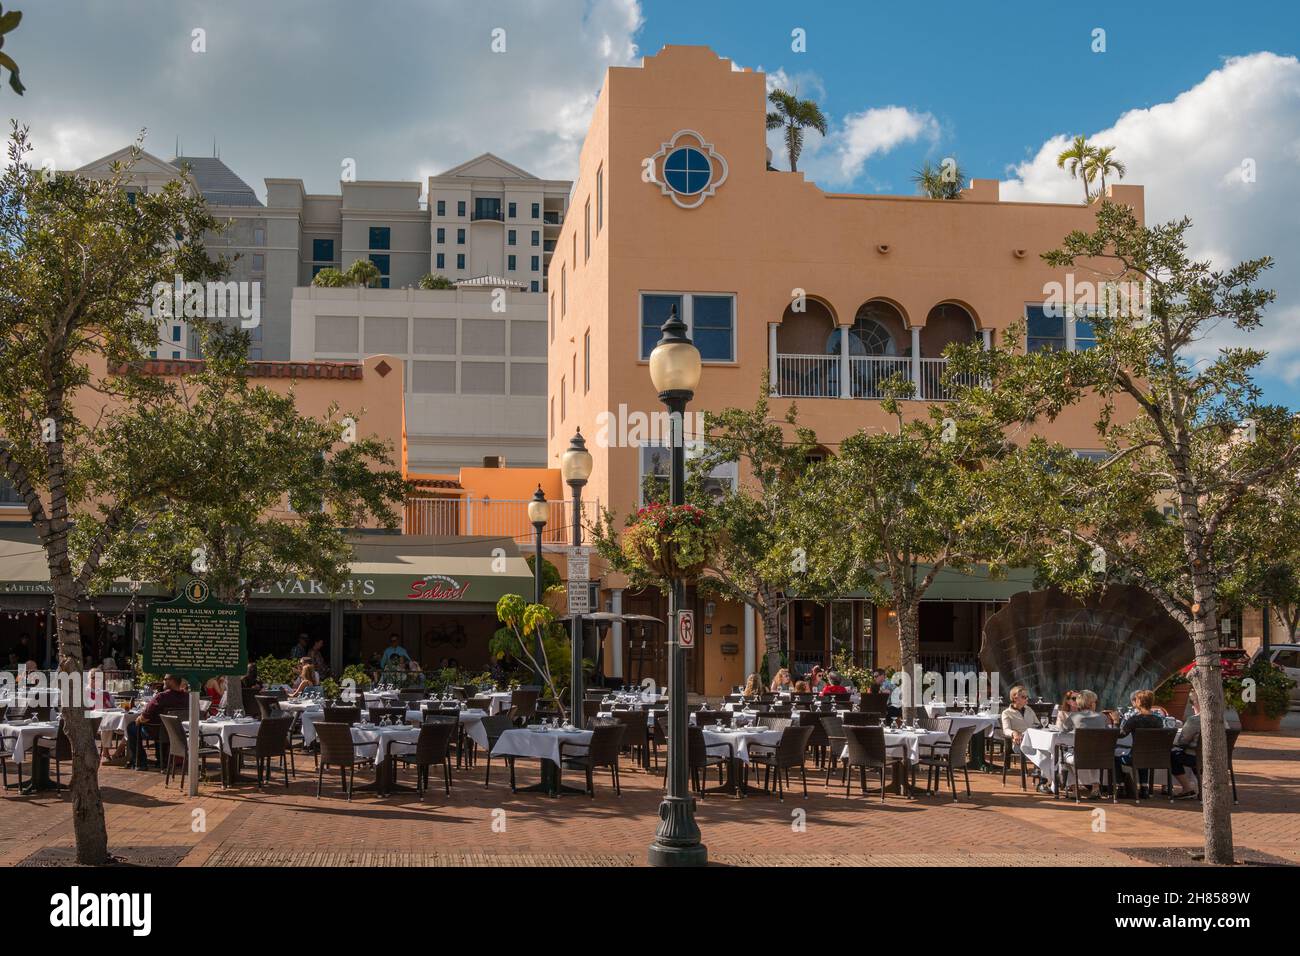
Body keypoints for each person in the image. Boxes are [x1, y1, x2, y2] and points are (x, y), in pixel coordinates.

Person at [126, 674, 188, 770]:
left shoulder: (161, 697)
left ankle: (140, 762)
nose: (163, 681)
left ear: (171, 681)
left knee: (131, 727)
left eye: (165, 679)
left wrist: (138, 719)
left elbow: (145, 717)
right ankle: (161, 761)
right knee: (160, 727)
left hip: (156, 731)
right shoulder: (186, 697)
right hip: (178, 732)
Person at [1116, 688, 1167, 796]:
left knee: (1115, 758)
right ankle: (1144, 788)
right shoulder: (1158, 720)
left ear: (1138, 702)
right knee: (1143, 754)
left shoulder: (1134, 720)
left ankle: (1120, 787)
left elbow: (1121, 735)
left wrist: (1116, 722)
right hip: (1153, 756)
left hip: (1136, 757)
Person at [1170, 691, 1208, 798]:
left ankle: (1187, 788)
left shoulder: (1194, 720)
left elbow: (1182, 741)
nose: (1192, 707)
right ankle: (1204, 789)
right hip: (1216, 756)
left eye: (1193, 703)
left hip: (1197, 756)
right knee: (1195, 755)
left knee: (1173, 755)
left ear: (1198, 704)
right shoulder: (1221, 720)